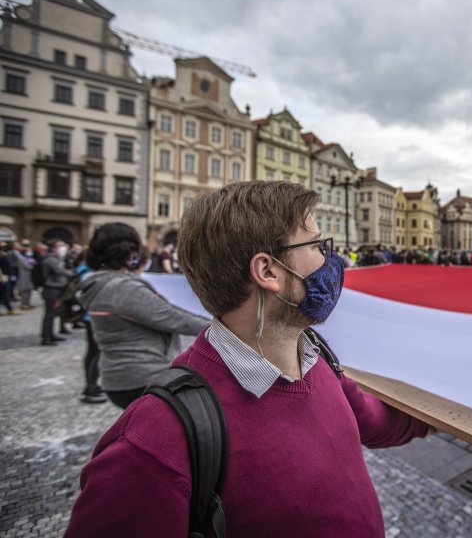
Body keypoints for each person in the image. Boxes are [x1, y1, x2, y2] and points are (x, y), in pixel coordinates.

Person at [66, 181, 431, 536]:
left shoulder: (317, 358)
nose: (330, 260)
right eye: (318, 245)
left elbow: (372, 422)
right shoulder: (154, 440)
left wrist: (442, 417)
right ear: (268, 271)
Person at [75, 223, 208, 409]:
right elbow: (170, 318)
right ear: (129, 251)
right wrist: (220, 327)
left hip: (123, 376)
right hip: (143, 376)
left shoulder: (103, 283)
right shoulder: (120, 288)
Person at [40, 240, 73, 343]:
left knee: (53, 314)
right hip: (52, 289)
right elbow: (59, 271)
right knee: (49, 314)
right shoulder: (51, 259)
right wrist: (73, 273)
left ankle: (51, 334)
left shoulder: (56, 258)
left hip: (56, 288)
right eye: (60, 246)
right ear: (53, 248)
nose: (63, 248)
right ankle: (46, 337)